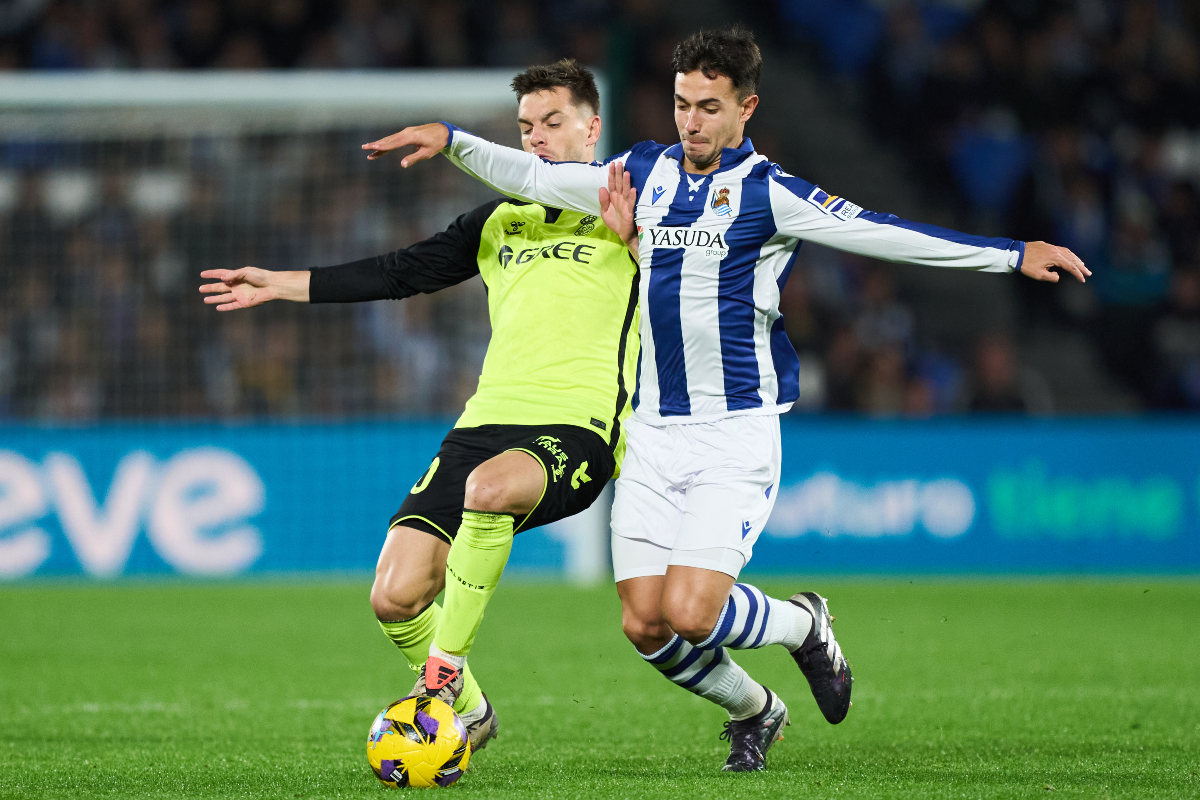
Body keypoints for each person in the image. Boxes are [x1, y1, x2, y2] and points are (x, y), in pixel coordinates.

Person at [361, 25, 1090, 772]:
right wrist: (452, 138)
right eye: (681, 104)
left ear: (746, 109)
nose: (692, 122)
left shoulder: (772, 195)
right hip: (650, 432)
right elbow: (542, 180)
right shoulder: (644, 172)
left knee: (691, 611)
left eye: (709, 107)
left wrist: (1011, 254)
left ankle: (802, 624)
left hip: (733, 433)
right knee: (645, 625)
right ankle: (756, 710)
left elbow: (883, 234)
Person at [199, 59, 641, 753]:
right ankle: (473, 709)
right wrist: (278, 285)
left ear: (593, 126)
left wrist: (642, 242)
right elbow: (399, 272)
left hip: (579, 426)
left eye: (553, 123)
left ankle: (437, 682)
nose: (537, 140)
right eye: (526, 127)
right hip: (486, 419)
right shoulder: (500, 218)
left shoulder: (641, 207)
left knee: (490, 490)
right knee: (396, 595)